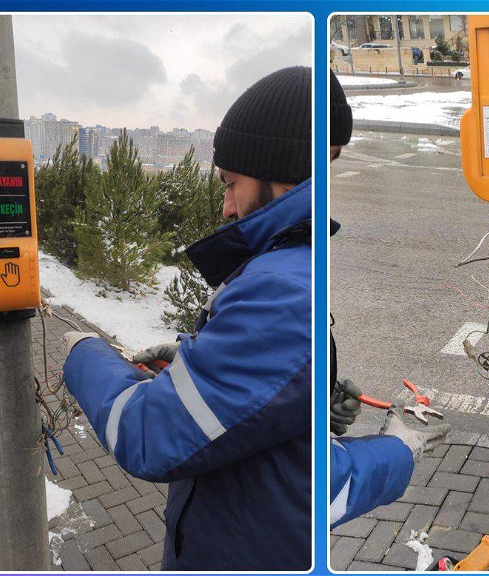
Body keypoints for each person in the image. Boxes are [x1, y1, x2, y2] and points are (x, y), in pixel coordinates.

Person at [62, 66, 312, 571]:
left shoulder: (279, 288)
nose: (225, 206)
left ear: (279, 176)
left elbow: (149, 435)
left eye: (230, 184)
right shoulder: (293, 262)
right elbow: (277, 384)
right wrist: (194, 358)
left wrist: (82, 352)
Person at [328, 71, 451, 528]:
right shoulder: (277, 281)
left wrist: (310, 412)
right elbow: (303, 494)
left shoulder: (274, 267)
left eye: (333, 165)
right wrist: (400, 446)